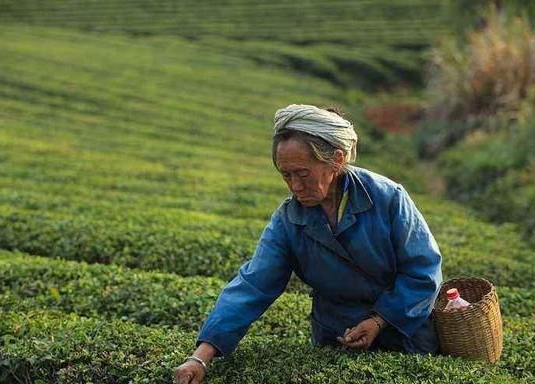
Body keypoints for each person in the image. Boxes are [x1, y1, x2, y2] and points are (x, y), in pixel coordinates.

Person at [174, 104, 443, 384]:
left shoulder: (388, 198)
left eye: (303, 173)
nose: (294, 185)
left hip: (404, 334)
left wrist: (379, 320)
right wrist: (200, 356)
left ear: (336, 161)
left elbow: (423, 271)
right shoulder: (288, 220)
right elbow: (254, 285)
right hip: (337, 339)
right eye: (286, 175)